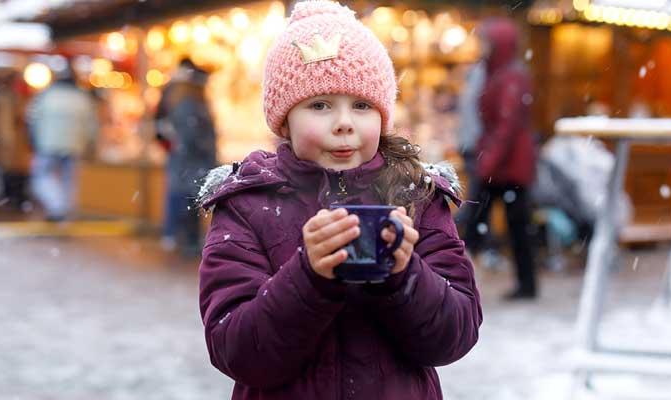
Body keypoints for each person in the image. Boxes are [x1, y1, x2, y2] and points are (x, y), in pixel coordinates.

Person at [196, 2, 482, 399]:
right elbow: (237, 350)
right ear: (284, 120)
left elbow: (456, 334)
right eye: (320, 105)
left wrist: (403, 275)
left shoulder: (416, 197)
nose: (344, 122)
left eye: (362, 105)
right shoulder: (249, 205)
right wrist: (308, 276)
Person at [463, 18, 538, 300]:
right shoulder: (500, 73)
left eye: (486, 42)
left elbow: (506, 127)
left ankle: (456, 278)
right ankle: (523, 284)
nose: (482, 47)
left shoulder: (509, 76)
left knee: (485, 225)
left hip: (508, 167)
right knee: (496, 225)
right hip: (504, 165)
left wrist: (486, 164)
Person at [155, 58, 217, 256]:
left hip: (185, 159)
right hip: (191, 159)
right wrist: (206, 147)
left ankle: (178, 237)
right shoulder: (191, 104)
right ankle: (186, 240)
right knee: (188, 199)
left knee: (184, 197)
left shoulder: (182, 100)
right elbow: (192, 135)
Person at [26, 60, 98, 222]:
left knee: (42, 177)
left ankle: (58, 207)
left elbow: (32, 119)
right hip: (74, 145)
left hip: (47, 144)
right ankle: (65, 212)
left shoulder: (46, 95)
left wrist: (32, 140)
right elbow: (92, 125)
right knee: (69, 181)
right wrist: (91, 144)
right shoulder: (82, 98)